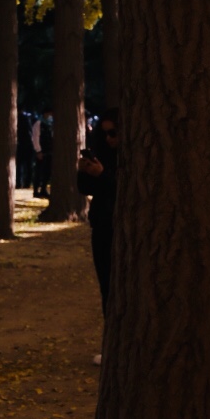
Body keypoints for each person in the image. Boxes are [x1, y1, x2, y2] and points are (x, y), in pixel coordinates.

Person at [78, 108, 118, 340]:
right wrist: (85, 172)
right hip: (102, 225)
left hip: (118, 225)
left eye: (113, 133)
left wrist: (103, 175)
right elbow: (86, 188)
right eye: (104, 134)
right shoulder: (102, 153)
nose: (108, 139)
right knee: (106, 286)